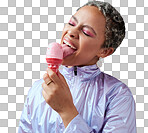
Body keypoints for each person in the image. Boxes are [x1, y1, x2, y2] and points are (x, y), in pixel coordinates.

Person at [18, 1, 136, 133]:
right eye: (72, 23)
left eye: (86, 32)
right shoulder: (38, 89)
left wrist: (67, 110)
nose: (72, 31)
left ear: (104, 51)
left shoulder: (117, 95)